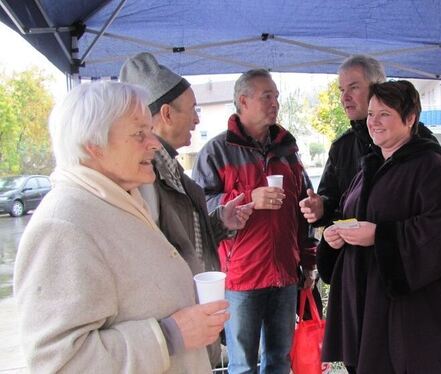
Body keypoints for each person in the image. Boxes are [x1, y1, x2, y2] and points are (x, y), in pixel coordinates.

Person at [13, 81, 228, 373]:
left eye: (150, 131)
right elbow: (58, 362)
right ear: (94, 146)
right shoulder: (63, 224)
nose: (153, 143)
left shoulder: (119, 199)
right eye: (139, 133)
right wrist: (169, 336)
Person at [318, 80, 441, 374]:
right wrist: (333, 237)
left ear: (410, 119)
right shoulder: (369, 166)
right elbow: (351, 213)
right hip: (362, 304)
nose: (374, 122)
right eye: (371, 114)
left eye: (384, 114)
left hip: (403, 315)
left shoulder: (431, 168)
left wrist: (379, 236)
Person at [192, 69, 316, 374]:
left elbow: (303, 210)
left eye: (276, 96)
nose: (275, 103)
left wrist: (309, 257)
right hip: (241, 278)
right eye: (267, 96)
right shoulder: (216, 152)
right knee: (242, 365)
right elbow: (199, 211)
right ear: (243, 101)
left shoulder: (288, 150)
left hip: (285, 274)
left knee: (279, 362)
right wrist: (250, 198)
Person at [120, 52, 252, 278]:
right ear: (167, 114)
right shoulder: (140, 177)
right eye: (193, 109)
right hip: (175, 309)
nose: (197, 119)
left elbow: (183, 239)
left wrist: (220, 221)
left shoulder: (170, 168)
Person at [299, 55, 439, 225]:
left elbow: (436, 221)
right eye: (342, 90)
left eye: (354, 87)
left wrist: (380, 236)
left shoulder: (421, 144)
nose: (345, 97)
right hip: (355, 250)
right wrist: (321, 208)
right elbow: (333, 202)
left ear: (378, 88)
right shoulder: (342, 147)